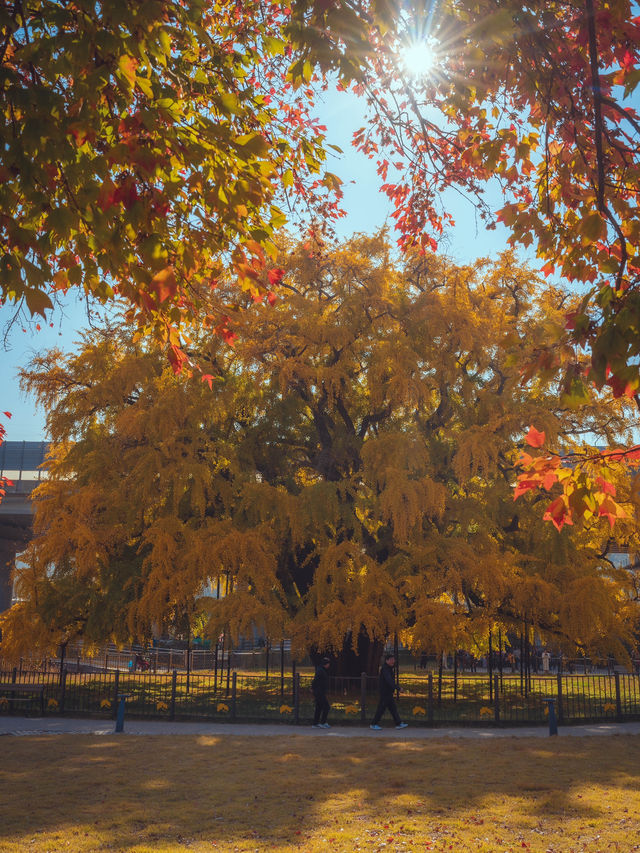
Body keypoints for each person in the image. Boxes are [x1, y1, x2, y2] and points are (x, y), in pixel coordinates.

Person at [370, 652, 408, 730]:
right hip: (385, 692)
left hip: (388, 692)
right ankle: (373, 724)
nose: (393, 661)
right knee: (381, 708)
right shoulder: (385, 669)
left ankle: (398, 723)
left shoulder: (388, 668)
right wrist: (398, 688)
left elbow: (390, 681)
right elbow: (389, 681)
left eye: (393, 659)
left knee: (392, 708)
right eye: (391, 660)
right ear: (387, 661)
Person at [311, 656, 331, 729]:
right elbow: (315, 680)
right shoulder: (321, 671)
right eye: (328, 664)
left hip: (319, 691)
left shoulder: (320, 669)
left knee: (319, 707)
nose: (329, 665)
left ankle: (315, 723)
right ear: (325, 664)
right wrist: (313, 688)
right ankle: (323, 722)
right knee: (326, 707)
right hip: (319, 692)